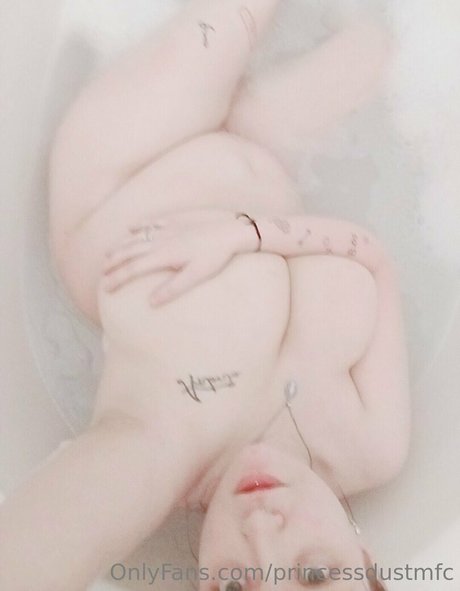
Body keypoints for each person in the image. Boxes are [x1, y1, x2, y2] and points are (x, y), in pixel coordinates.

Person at [0, 1, 409, 589]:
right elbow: (376, 260)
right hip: (271, 156)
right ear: (368, 563)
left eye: (237, 586)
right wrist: (245, 234)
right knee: (378, 43)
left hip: (129, 164)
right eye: (315, 572)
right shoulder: (373, 443)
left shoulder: (158, 452)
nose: (261, 527)